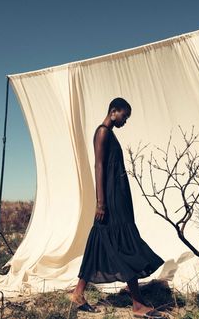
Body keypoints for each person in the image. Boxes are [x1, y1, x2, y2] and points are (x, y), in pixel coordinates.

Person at [69, 98, 164, 318]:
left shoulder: (110, 134)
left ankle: (78, 293)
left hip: (117, 196)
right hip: (110, 199)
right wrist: (100, 202)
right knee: (126, 244)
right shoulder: (103, 132)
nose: (125, 121)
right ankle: (138, 304)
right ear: (113, 111)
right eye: (124, 116)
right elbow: (99, 166)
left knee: (100, 240)